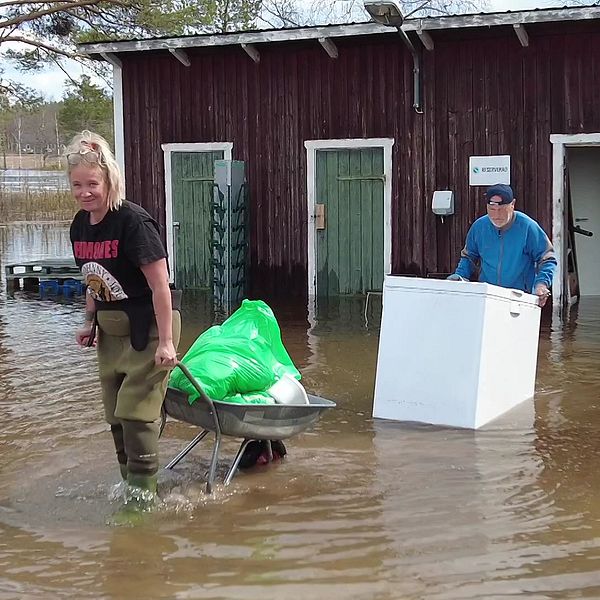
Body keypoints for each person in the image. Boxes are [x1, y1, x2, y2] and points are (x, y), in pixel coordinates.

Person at [67, 130, 181, 511]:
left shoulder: (132, 222)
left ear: (109, 180)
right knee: (115, 414)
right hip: (111, 329)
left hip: (148, 326)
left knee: (136, 414)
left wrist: (166, 342)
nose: (85, 192)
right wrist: (88, 322)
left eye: (92, 184)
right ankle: (129, 484)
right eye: (77, 185)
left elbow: (160, 286)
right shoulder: (79, 226)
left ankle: (143, 497)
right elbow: (93, 278)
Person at [448, 183, 557, 307]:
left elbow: (547, 258)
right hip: (488, 297)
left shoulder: (527, 227)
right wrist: (459, 277)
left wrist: (542, 284)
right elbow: (469, 257)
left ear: (512, 205)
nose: (496, 215)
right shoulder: (479, 227)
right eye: (492, 209)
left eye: (501, 210)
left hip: (520, 298)